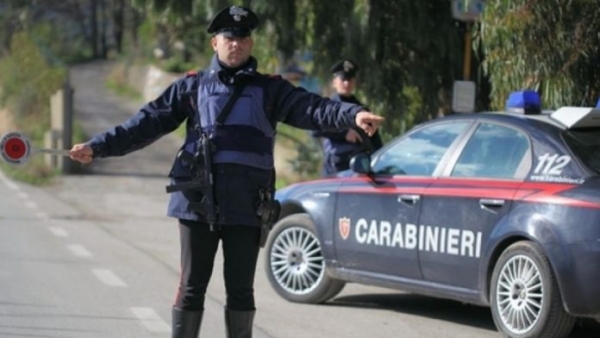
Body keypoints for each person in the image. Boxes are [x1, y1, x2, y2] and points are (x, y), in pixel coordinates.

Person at [68, 5, 383, 338]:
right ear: (214, 43)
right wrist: (99, 147)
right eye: (229, 37)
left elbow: (314, 109)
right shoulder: (192, 87)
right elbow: (144, 124)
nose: (237, 43)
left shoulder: (271, 90)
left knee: (241, 291)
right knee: (192, 286)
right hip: (197, 202)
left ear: (251, 43)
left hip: (247, 204)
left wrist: (352, 114)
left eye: (244, 37)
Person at [312, 59, 384, 177]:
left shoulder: (361, 108)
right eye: (343, 79)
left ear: (354, 82)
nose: (346, 83)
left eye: (349, 79)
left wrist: (381, 158)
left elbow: (375, 138)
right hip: (336, 167)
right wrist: (344, 133)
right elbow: (315, 129)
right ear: (334, 82)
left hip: (361, 166)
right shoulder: (328, 105)